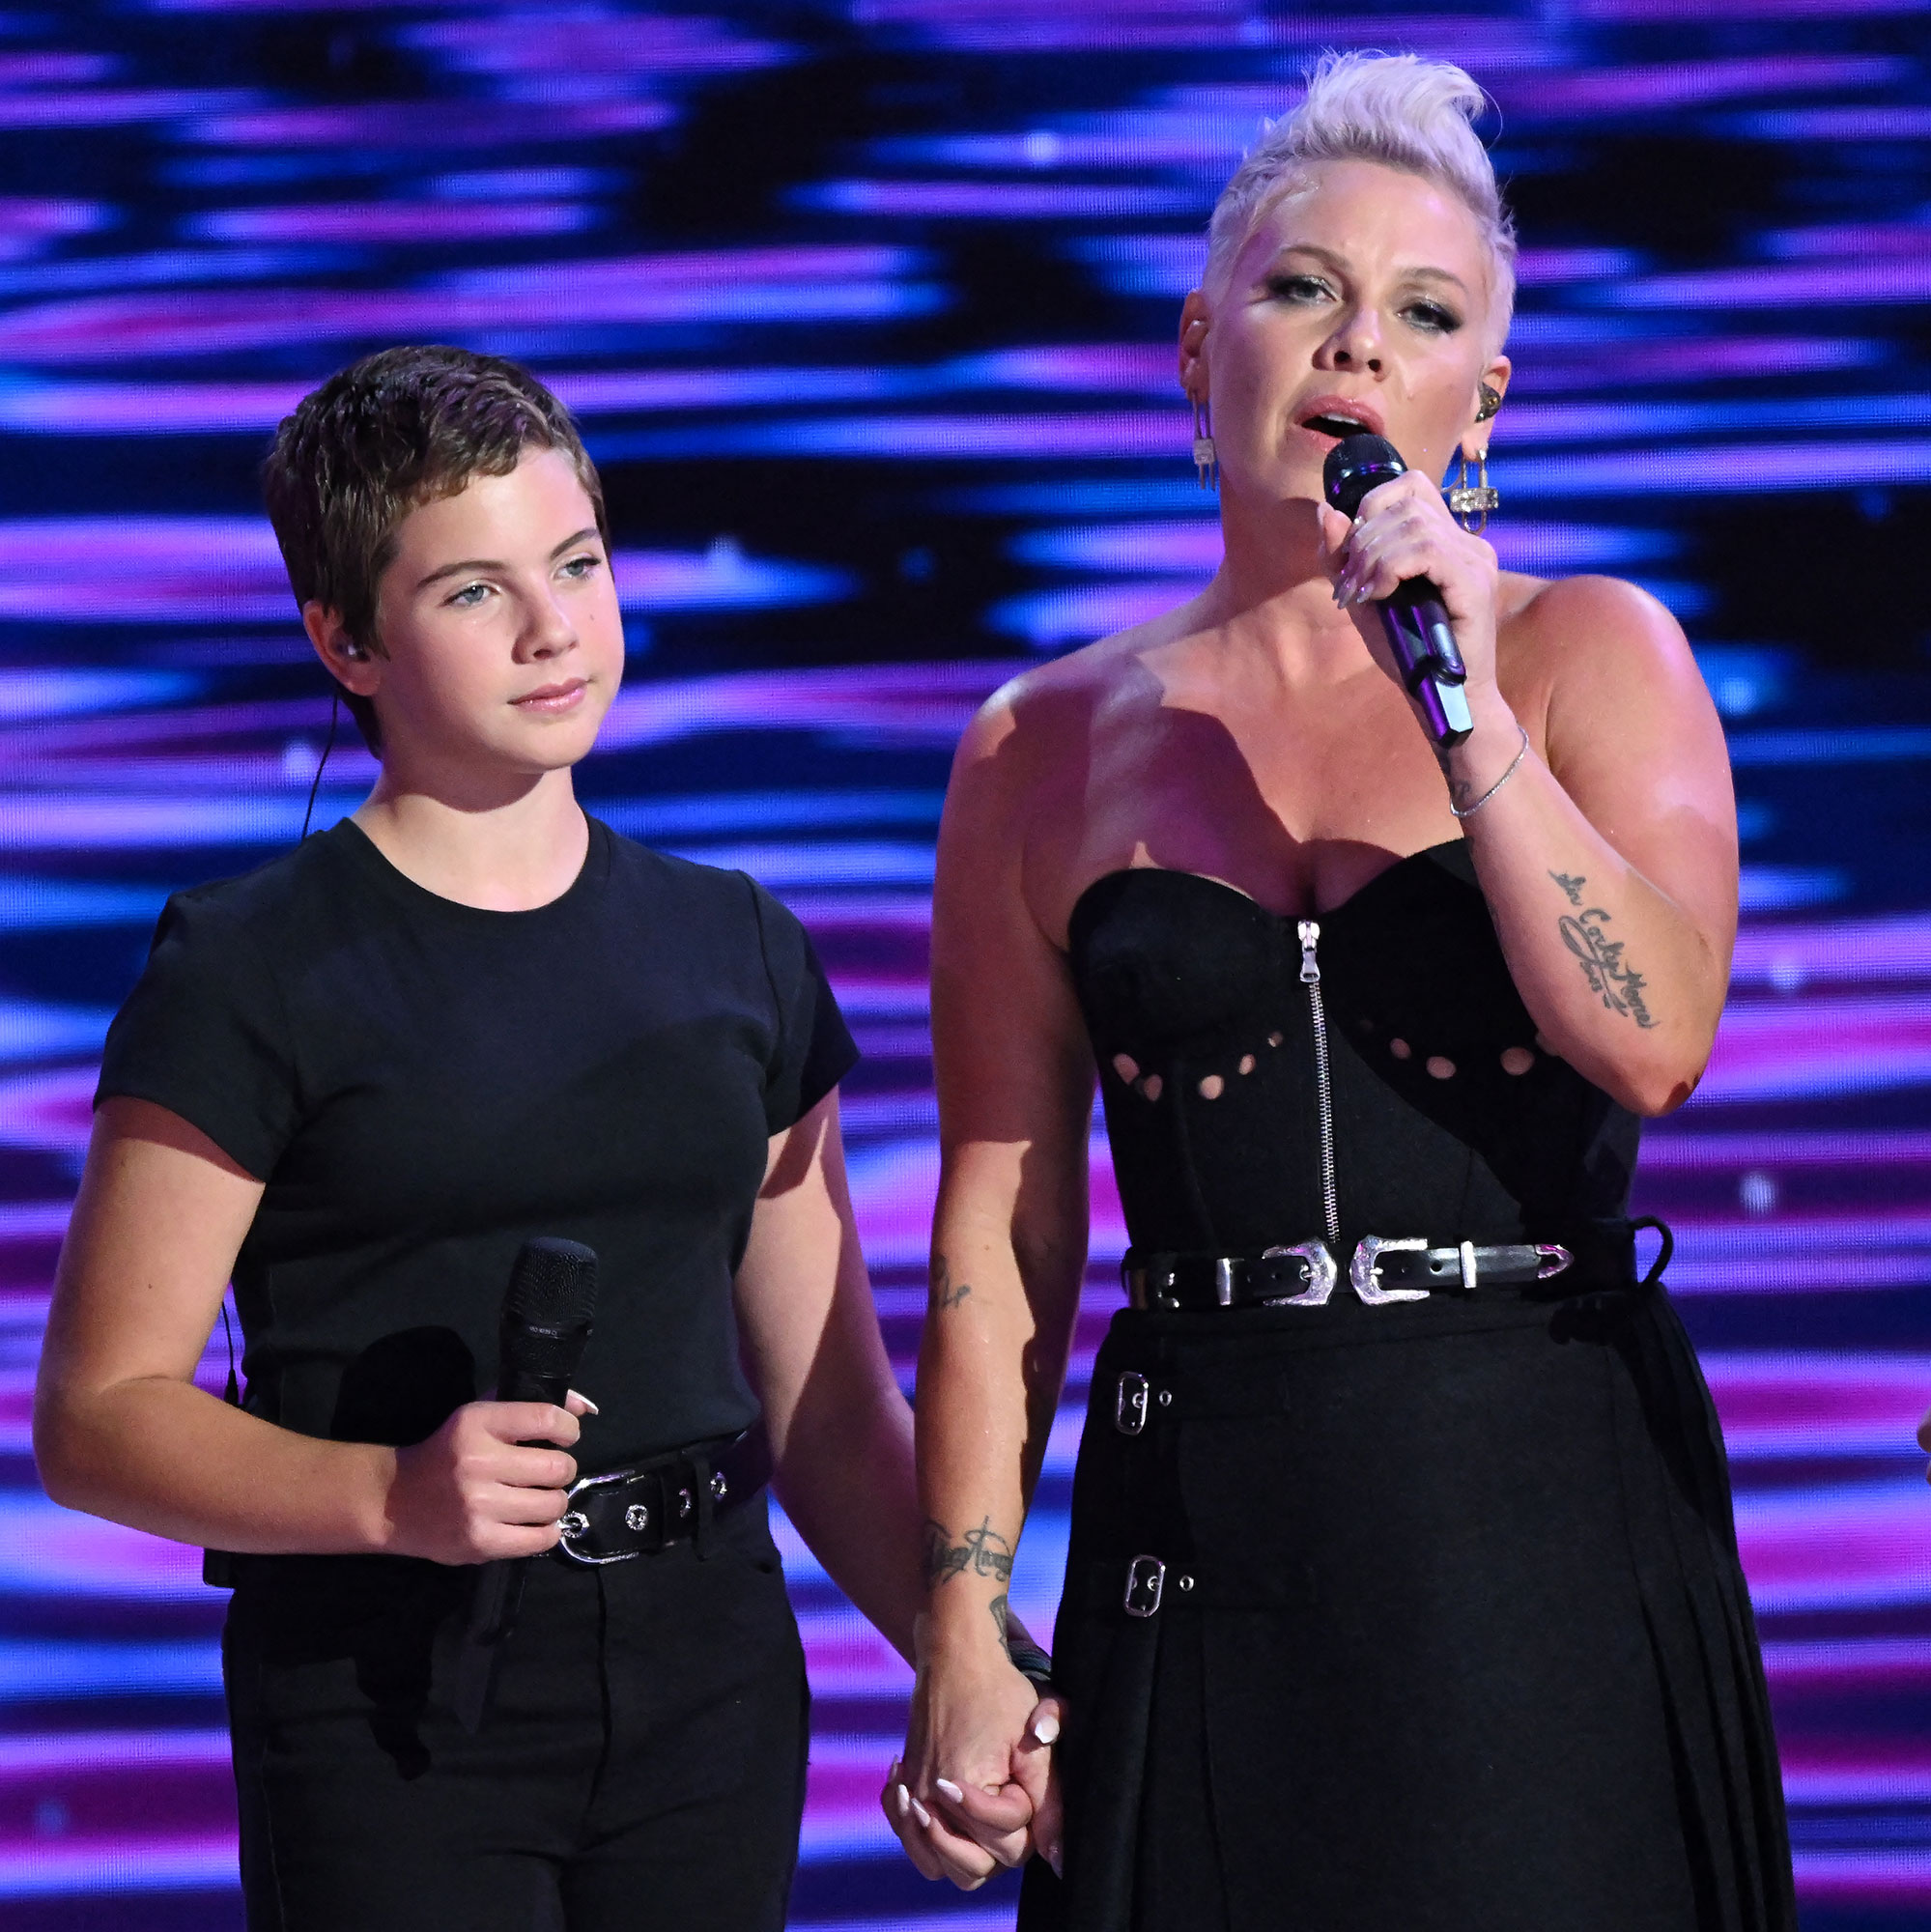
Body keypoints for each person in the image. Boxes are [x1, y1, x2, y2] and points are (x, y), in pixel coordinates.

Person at [888, 52, 1798, 1932]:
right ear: (1196, 346)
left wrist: (1455, 704)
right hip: (1205, 1522)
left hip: (1528, 1498)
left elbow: (1654, 1039)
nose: (1353, 348)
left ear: (1483, 401)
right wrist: (966, 1621)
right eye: (1303, 290)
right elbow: (1003, 1210)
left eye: (1422, 312)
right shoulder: (1035, 742)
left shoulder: (1583, 650)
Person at [33, 346, 928, 1931]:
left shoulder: (741, 948)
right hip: (388, 1705)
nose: (551, 628)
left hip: (710, 1680)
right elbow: (97, 1417)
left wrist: (974, 1661)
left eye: (575, 563)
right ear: (344, 639)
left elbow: (832, 1416)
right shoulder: (249, 969)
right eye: (470, 591)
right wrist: (391, 1499)